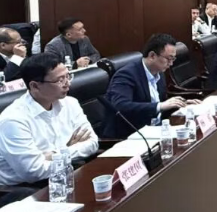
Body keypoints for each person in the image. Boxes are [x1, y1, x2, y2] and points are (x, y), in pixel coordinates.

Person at [0, 53, 98, 186]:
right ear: (35, 86)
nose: (67, 83)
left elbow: (93, 143)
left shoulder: (70, 103)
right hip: (24, 189)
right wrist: (69, 149)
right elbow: (33, 172)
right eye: (60, 80)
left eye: (68, 76)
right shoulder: (13, 120)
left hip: (67, 173)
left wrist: (54, 154)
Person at [104, 34, 192, 139]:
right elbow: (121, 106)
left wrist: (181, 103)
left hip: (156, 130)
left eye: (173, 59)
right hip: (130, 136)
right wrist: (160, 106)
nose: (171, 63)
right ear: (152, 56)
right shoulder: (126, 75)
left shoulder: (159, 72)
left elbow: (160, 102)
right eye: (169, 58)